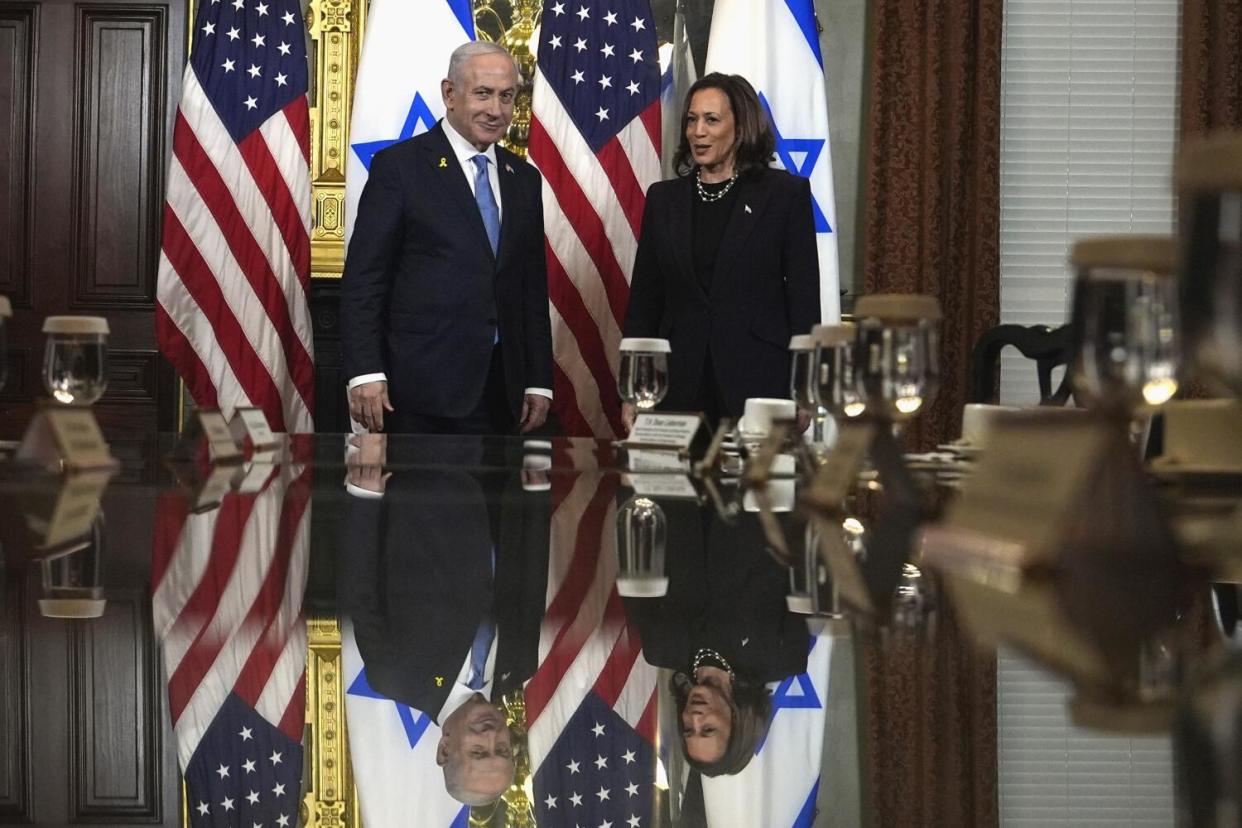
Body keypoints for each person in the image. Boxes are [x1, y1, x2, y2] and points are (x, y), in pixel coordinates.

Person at [342, 41, 553, 435]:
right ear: (449, 94)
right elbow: (364, 282)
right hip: (421, 393)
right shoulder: (400, 169)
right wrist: (365, 372)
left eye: (506, 96)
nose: (496, 110)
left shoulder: (523, 179)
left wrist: (538, 379)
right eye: (483, 94)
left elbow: (530, 289)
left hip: (504, 392)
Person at [338, 438, 551, 805]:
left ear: (443, 750)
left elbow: (361, 585)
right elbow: (532, 575)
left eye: (479, 752)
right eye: (501, 749)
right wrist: (536, 484)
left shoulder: (396, 676)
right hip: (501, 461)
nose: (491, 737)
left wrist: (366, 492)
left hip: (420, 462)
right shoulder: (519, 666)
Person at [622, 73, 820, 430]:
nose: (698, 131)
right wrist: (634, 388)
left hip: (759, 382)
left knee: (755, 487)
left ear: (741, 125)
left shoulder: (784, 196)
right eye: (692, 119)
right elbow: (645, 302)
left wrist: (804, 388)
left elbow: (804, 301)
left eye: (711, 120)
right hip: (676, 385)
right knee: (669, 486)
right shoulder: (664, 200)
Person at [622, 499, 810, 776]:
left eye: (688, 729)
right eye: (708, 729)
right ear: (737, 722)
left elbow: (635, 551)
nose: (695, 718)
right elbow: (803, 566)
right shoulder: (782, 657)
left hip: (670, 478)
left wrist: (632, 485)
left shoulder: (660, 647)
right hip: (761, 487)